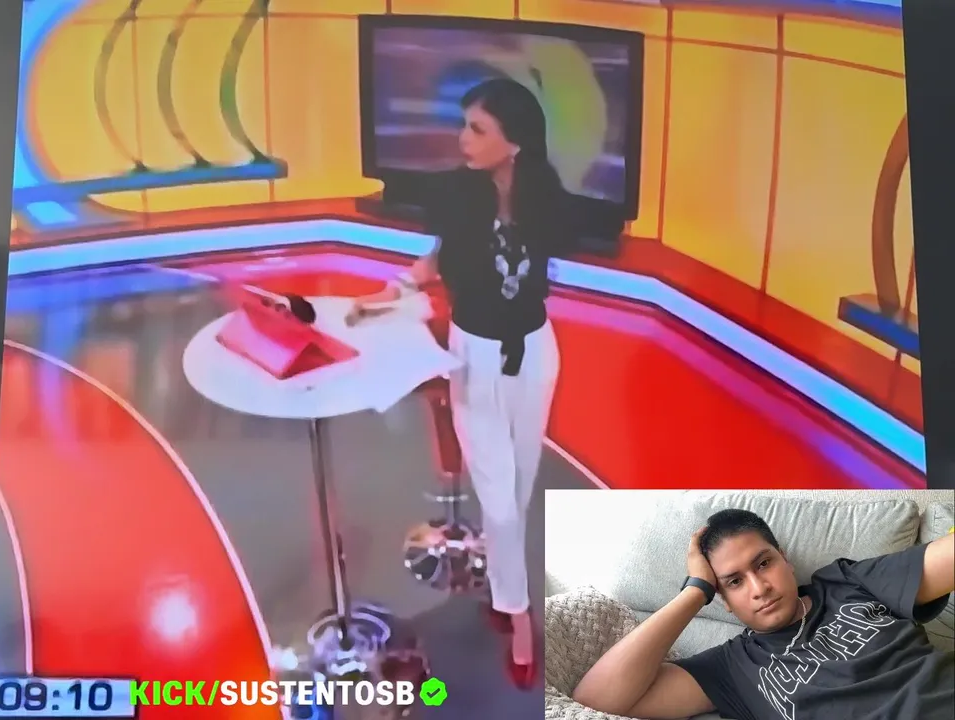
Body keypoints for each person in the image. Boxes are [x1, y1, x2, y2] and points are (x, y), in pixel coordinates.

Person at [346, 77, 580, 686]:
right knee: (498, 502)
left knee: (517, 491)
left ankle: (504, 593)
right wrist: (394, 290)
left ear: (515, 142)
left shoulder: (547, 198)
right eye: (465, 125)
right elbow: (439, 259)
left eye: (477, 129)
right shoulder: (457, 194)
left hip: (535, 353)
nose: (463, 139)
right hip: (473, 356)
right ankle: (521, 619)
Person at [571, 509, 955, 719]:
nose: (759, 588)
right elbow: (596, 698)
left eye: (764, 563)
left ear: (785, 560)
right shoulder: (732, 668)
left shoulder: (847, 582)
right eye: (734, 582)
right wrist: (695, 591)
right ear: (722, 599)